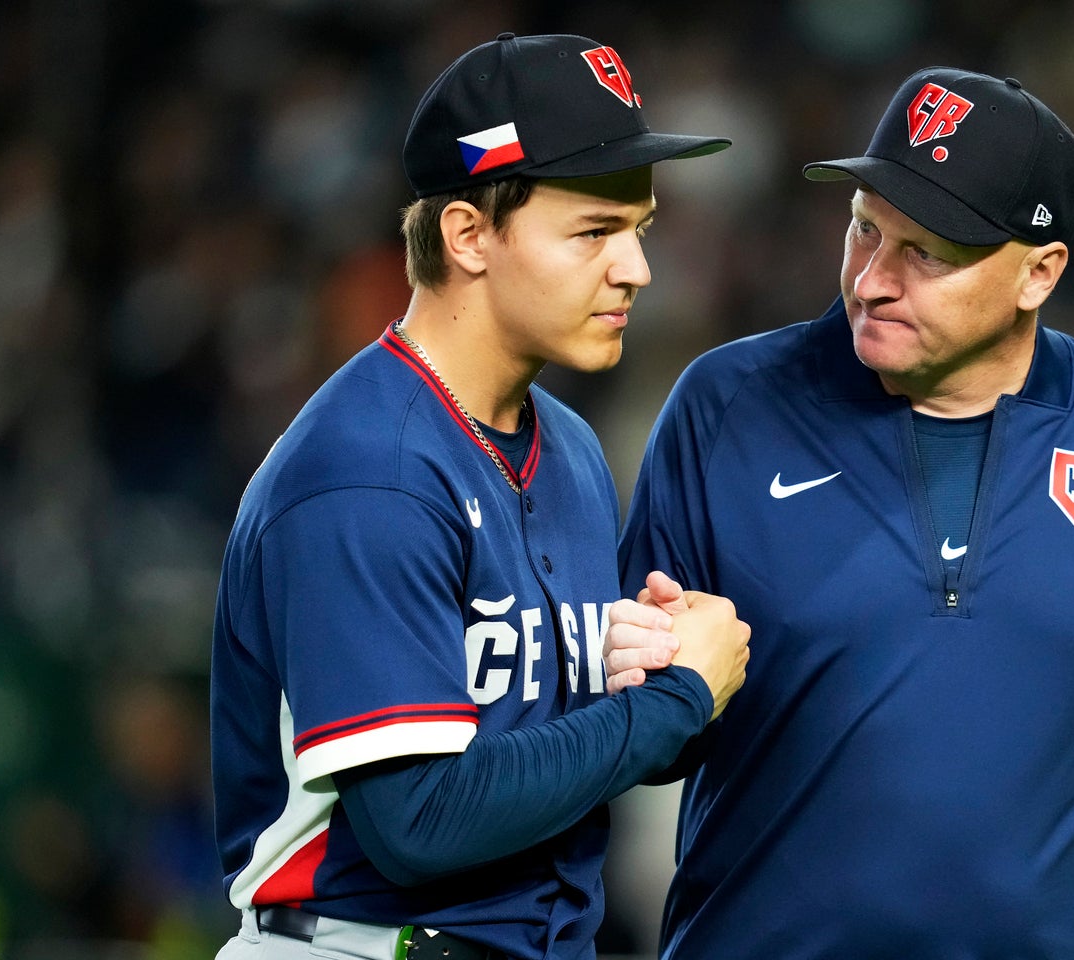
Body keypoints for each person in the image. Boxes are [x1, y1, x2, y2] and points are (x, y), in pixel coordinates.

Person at [611, 67, 1074, 957]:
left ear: (1039, 273)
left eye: (928, 252)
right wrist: (648, 679)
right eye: (863, 230)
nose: (872, 280)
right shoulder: (728, 407)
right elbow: (643, 733)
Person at [210, 32, 749, 960]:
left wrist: (657, 673)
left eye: (639, 231)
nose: (636, 269)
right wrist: (671, 706)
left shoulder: (569, 448)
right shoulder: (367, 470)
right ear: (467, 235)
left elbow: (568, 759)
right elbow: (419, 821)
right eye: (593, 232)